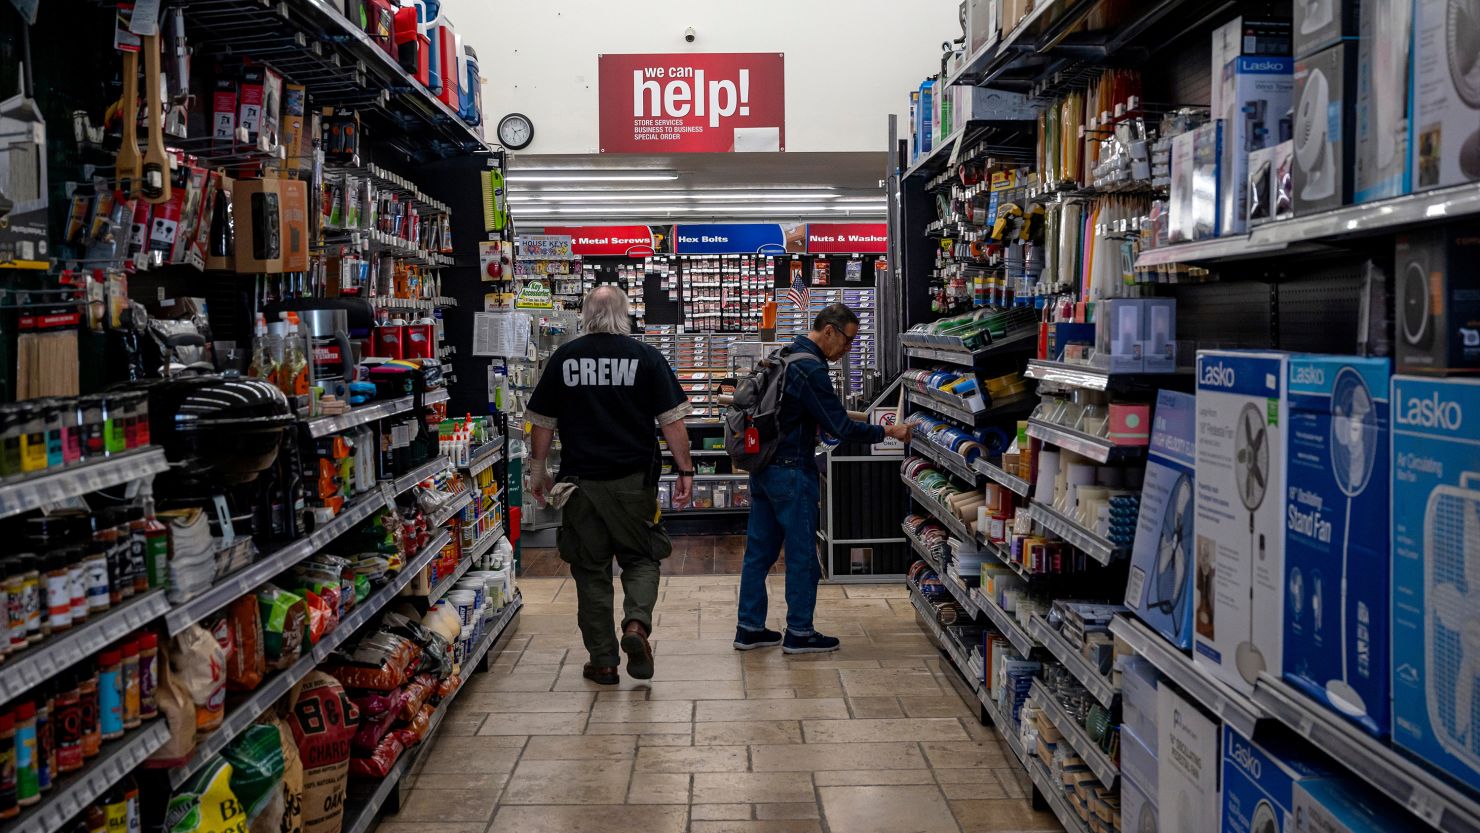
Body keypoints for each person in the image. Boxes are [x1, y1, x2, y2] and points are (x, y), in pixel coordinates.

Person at [525, 286, 695, 685]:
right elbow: (673, 422)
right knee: (641, 559)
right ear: (627, 315)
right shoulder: (647, 357)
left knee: (590, 570)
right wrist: (685, 471)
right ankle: (636, 626)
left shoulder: (564, 358)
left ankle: (602, 661)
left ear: (584, 314)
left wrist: (538, 471)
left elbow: (542, 423)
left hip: (580, 485)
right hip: (633, 484)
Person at [734, 303, 912, 654]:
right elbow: (840, 427)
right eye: (847, 340)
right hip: (791, 472)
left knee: (758, 553)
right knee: (801, 554)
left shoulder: (784, 354)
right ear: (829, 330)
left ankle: (749, 628)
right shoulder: (811, 368)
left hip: (763, 468)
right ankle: (800, 632)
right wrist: (889, 431)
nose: (848, 350)